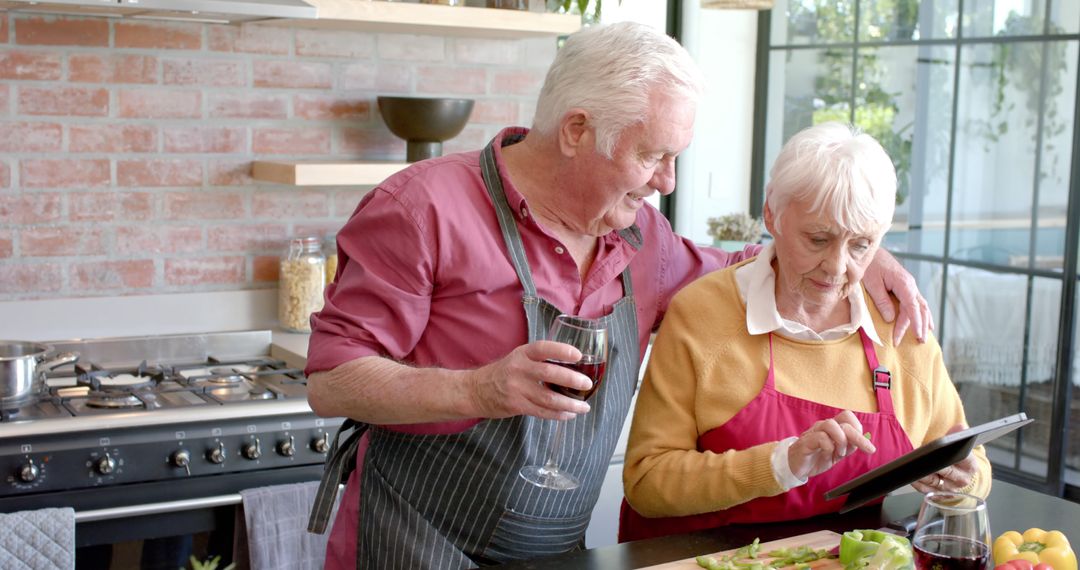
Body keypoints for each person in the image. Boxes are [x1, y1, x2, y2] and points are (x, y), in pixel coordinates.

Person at [303, 23, 932, 569]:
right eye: (652, 155)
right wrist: (479, 389)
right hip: (413, 543)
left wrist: (865, 250)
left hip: (557, 552)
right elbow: (331, 381)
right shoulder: (420, 210)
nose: (667, 180)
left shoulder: (643, 237)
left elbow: (758, 261)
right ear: (577, 130)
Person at [619, 122, 990, 543]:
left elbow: (970, 455)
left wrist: (960, 482)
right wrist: (783, 463)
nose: (836, 267)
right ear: (771, 216)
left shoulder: (899, 324)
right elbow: (646, 482)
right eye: (818, 239)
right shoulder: (702, 314)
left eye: (861, 246)